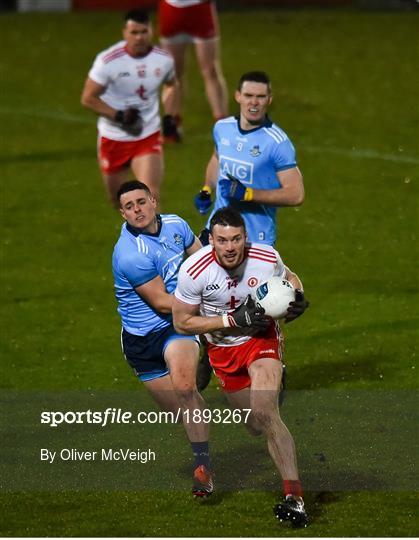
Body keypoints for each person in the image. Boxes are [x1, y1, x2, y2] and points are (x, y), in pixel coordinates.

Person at [172, 207, 309, 527]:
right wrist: (229, 320)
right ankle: (275, 386)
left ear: (245, 238)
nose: (230, 247)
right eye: (222, 240)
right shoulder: (195, 270)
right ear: (212, 241)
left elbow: (289, 276)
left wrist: (299, 295)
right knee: (254, 426)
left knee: (265, 411)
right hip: (222, 350)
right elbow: (181, 321)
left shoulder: (264, 256)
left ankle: (294, 498)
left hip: (261, 339)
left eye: (236, 239)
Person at [193, 70, 305, 389]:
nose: (254, 102)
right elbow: (218, 158)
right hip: (219, 229)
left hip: (256, 237)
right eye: (249, 95)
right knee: (205, 294)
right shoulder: (222, 128)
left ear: (269, 100)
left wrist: (251, 194)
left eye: (260, 97)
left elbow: (296, 193)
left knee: (263, 304)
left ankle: (273, 364)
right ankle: (207, 350)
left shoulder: (277, 143)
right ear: (237, 96)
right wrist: (206, 188)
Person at [112, 179, 213, 497]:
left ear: (153, 200)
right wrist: (208, 311)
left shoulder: (176, 225)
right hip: (141, 341)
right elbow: (159, 301)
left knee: (185, 390)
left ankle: (203, 469)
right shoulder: (129, 253)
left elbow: (202, 261)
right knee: (182, 411)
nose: (137, 210)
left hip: (174, 327)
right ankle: (205, 361)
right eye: (129, 207)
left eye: (141, 202)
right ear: (122, 214)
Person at [81, 10, 181, 208]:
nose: (139, 37)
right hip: (113, 137)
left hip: (147, 134)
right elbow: (88, 98)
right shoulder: (108, 61)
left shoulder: (163, 59)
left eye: (144, 32)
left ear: (151, 31)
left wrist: (170, 116)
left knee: (150, 195)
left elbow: (172, 85)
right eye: (134, 32)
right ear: (124, 33)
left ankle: (157, 239)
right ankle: (135, 237)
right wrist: (118, 116)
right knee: (119, 201)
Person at [158, 0, 229, 128]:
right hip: (172, 9)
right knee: (173, 73)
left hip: (199, 8)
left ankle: (223, 124)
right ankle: (172, 125)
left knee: (211, 70)